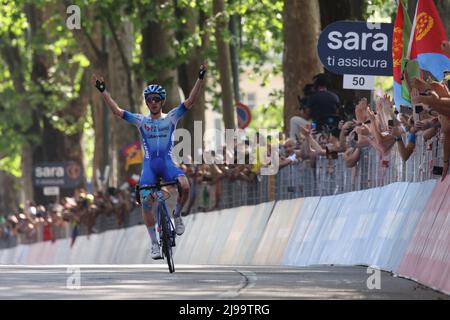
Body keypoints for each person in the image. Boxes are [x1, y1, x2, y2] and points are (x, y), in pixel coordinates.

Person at [92, 62, 207, 259]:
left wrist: (200, 78)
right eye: (149, 99)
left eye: (156, 99)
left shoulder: (171, 117)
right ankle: (154, 243)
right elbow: (117, 112)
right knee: (145, 200)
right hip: (150, 167)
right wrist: (103, 92)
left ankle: (177, 215)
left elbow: (190, 101)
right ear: (146, 102)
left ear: (162, 101)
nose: (153, 102)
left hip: (167, 163)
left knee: (185, 185)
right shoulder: (141, 121)